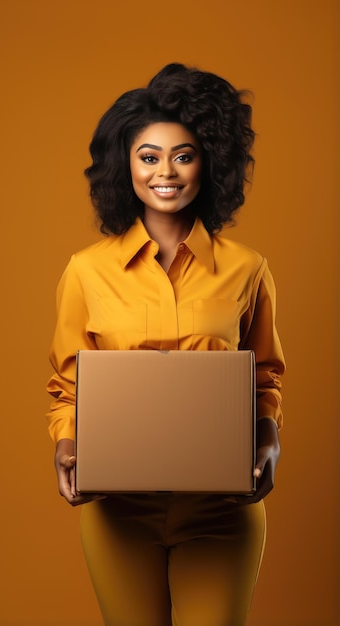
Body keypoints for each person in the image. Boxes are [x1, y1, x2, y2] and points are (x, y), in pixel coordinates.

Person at [46, 62, 285, 626]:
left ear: (209, 162)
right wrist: (64, 445)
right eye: (149, 157)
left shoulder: (248, 269)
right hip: (118, 512)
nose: (166, 173)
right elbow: (67, 383)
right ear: (125, 166)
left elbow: (266, 376)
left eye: (183, 155)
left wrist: (270, 440)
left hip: (222, 509)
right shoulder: (86, 271)